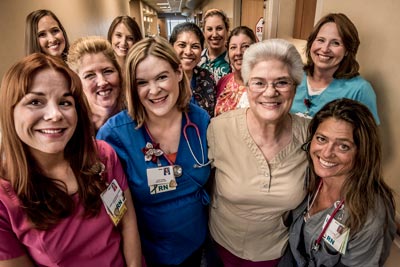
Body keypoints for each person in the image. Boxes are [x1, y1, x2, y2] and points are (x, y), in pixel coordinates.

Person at [0, 53, 141, 266]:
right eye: (36, 101)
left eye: (65, 102)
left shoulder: (102, 155)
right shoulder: (4, 200)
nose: (55, 114)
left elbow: (127, 222)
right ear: (9, 112)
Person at [97, 36, 211, 267]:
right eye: (142, 82)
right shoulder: (115, 135)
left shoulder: (200, 121)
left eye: (161, 77)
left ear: (179, 73)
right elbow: (111, 209)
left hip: (195, 246)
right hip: (146, 254)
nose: (154, 90)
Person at [207, 39, 309, 266]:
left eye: (282, 82)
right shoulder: (219, 129)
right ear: (246, 85)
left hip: (277, 251)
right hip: (222, 246)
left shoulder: (310, 136)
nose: (270, 92)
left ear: (295, 86)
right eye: (259, 83)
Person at [284, 98, 396, 267]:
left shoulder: (370, 218)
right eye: (321, 139)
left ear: (362, 152)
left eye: (343, 146)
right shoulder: (307, 173)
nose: (327, 153)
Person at [290, 13, 380, 124]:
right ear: (311, 43)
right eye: (321, 40)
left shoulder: (359, 90)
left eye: (335, 43)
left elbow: (368, 139)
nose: (325, 49)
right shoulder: (292, 77)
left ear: (347, 50)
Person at [67, 36, 125, 131]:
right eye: (90, 75)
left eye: (108, 71)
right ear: (77, 83)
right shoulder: (73, 127)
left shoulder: (138, 115)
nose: (102, 82)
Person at [169, 22, 216, 117]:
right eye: (182, 45)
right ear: (171, 47)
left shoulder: (207, 78)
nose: (188, 52)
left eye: (195, 46)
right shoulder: (163, 78)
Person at [214, 26, 257, 116]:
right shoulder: (223, 82)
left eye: (245, 46)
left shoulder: (262, 86)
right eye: (233, 47)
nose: (238, 52)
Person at [198, 8, 230, 84]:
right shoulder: (198, 60)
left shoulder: (233, 59)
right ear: (204, 32)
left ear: (227, 30)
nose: (215, 34)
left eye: (219, 28)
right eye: (209, 29)